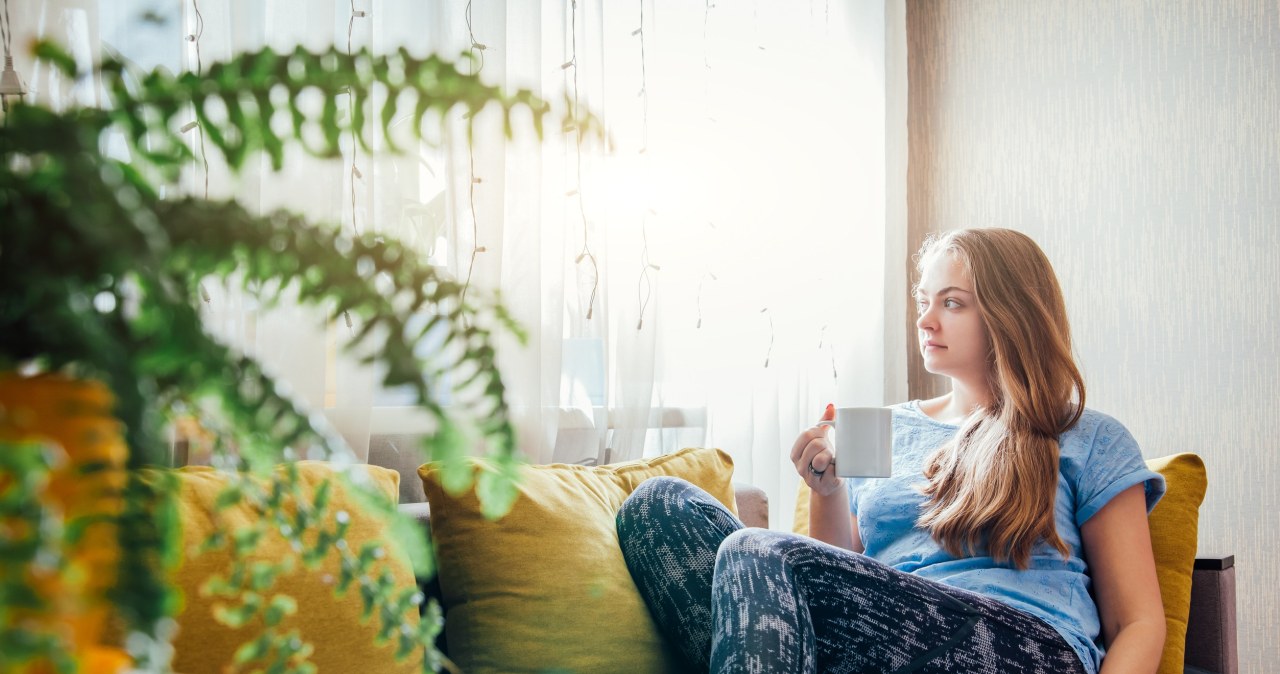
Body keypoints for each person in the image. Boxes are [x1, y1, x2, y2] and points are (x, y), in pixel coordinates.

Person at [616, 228, 1167, 674]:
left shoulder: (1083, 435)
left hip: (1022, 649)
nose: (925, 320)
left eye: (952, 303)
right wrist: (828, 491)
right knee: (656, 508)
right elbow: (839, 579)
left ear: (1011, 314)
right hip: (884, 645)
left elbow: (1137, 623)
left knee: (756, 549)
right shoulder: (885, 428)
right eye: (924, 302)